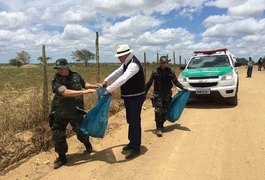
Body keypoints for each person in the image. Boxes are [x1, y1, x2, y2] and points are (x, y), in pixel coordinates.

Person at [50, 58, 100, 169]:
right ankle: (62, 157)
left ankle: (87, 144)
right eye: (58, 68)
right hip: (60, 111)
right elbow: (65, 92)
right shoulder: (56, 79)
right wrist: (84, 92)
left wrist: (94, 86)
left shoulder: (76, 75)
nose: (59, 70)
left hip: (76, 110)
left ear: (67, 67)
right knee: (58, 135)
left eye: (61, 68)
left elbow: (84, 84)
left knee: (81, 132)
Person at [103, 44, 145, 159]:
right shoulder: (127, 63)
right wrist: (106, 80)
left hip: (136, 97)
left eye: (119, 56)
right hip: (130, 96)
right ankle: (132, 143)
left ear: (125, 55)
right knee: (130, 120)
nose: (118, 58)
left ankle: (136, 148)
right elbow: (118, 72)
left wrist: (109, 89)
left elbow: (123, 78)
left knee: (135, 121)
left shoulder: (134, 65)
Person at [145, 56, 187, 137]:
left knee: (164, 110)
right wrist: (145, 92)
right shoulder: (155, 71)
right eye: (161, 63)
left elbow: (175, 81)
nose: (163, 64)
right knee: (158, 110)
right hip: (158, 94)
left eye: (164, 63)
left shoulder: (170, 71)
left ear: (167, 63)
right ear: (159, 63)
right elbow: (150, 82)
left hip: (167, 94)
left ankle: (161, 125)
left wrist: (182, 87)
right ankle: (158, 128)